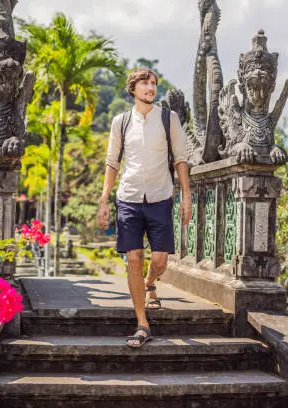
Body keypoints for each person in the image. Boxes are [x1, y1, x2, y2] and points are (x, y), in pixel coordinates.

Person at [97, 68, 192, 348]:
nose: (151, 88)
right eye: (145, 84)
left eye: (153, 84)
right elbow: (112, 162)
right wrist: (104, 200)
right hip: (128, 198)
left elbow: (181, 159)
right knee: (134, 258)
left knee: (160, 260)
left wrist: (186, 196)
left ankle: (151, 282)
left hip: (161, 197)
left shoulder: (168, 119)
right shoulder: (121, 122)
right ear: (133, 88)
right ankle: (142, 322)